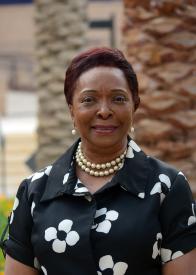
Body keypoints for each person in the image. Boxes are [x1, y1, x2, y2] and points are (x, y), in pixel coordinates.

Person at [3, 47, 196, 275]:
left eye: (118, 98)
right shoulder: (34, 191)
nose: (104, 111)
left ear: (134, 106)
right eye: (89, 100)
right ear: (72, 111)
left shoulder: (168, 187)